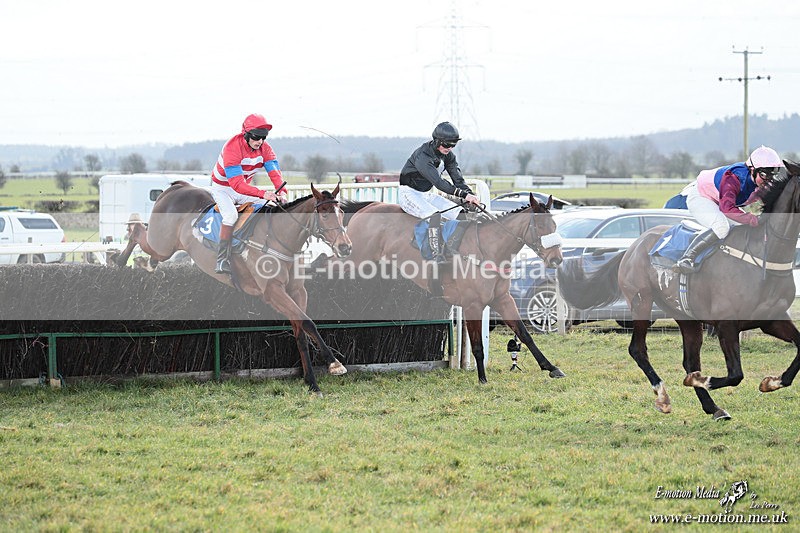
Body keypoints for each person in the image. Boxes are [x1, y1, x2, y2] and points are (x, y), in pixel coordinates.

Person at [672, 145, 784, 273]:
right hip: (701, 197)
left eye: (772, 175)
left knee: (746, 228)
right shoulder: (733, 178)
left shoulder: (763, 182)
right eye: (764, 174)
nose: (768, 180)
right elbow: (727, 209)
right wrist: (753, 219)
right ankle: (687, 258)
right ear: (752, 169)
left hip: (721, 201)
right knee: (721, 227)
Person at [210, 113, 288, 274]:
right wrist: (263, 194)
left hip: (242, 187)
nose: (259, 141)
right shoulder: (232, 147)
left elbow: (274, 173)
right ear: (246, 134)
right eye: (256, 137)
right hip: (223, 188)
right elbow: (236, 184)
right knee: (230, 216)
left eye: (263, 138)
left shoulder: (265, 148)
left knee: (272, 206)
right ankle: (222, 259)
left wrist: (282, 192)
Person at [399, 121, 481, 262]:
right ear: (436, 141)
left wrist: (470, 195)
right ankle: (435, 255)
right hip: (409, 194)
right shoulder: (423, 156)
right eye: (446, 144)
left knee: (461, 213)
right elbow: (439, 183)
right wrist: (463, 195)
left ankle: (454, 246)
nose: (449, 148)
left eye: (453, 144)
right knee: (435, 216)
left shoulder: (449, 156)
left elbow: (457, 179)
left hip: (426, 195)